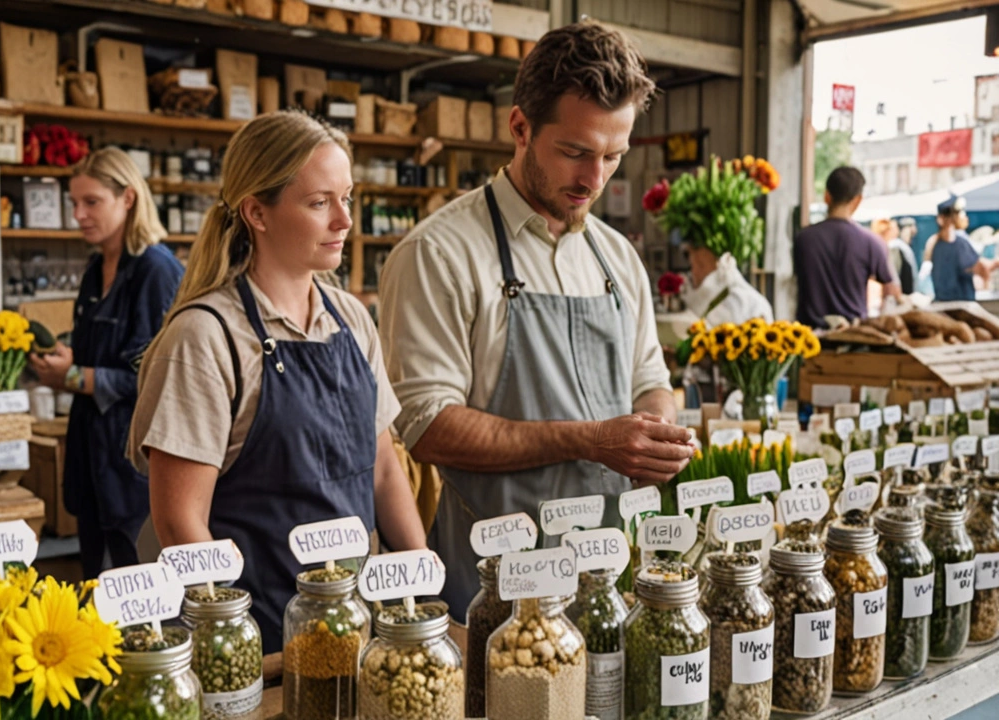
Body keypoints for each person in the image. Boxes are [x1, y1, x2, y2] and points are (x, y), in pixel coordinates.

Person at [376, 21, 694, 620]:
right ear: (519, 127)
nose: (594, 180)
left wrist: (655, 434)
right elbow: (428, 426)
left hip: (606, 575)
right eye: (575, 153)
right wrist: (594, 440)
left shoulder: (615, 255)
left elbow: (649, 378)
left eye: (612, 156)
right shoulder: (439, 254)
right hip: (494, 584)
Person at [127, 111, 426, 651]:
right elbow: (178, 522)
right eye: (320, 203)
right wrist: (235, 639)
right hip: (263, 633)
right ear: (257, 213)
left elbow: (383, 469)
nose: (344, 221)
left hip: (360, 626)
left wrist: (415, 591)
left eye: (348, 198)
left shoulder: (350, 318)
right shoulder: (206, 338)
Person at [28, 147, 184, 580]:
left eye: (91, 202)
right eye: (74, 203)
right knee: (98, 586)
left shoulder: (157, 270)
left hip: (133, 466)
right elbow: (104, 353)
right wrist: (70, 362)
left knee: (137, 593)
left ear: (128, 199)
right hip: (91, 461)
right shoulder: (96, 269)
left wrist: (75, 377)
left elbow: (158, 376)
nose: (78, 214)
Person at [793, 167, 900, 328]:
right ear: (857, 200)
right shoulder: (871, 242)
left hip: (810, 339)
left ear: (827, 196)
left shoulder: (804, 238)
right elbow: (891, 290)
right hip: (853, 338)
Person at [930, 195, 996, 301]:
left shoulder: (936, 244)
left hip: (943, 304)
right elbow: (982, 268)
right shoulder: (958, 243)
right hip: (961, 307)